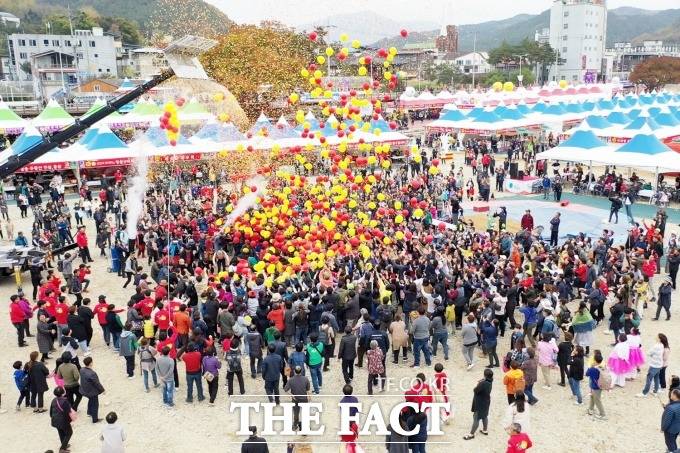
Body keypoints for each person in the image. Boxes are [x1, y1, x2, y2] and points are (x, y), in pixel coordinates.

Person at [464, 368, 493, 440]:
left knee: (476, 418)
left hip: (480, 403)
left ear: (485, 375)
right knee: (484, 416)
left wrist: (479, 383)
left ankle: (471, 434)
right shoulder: (490, 381)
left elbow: (475, 390)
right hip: (486, 401)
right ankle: (485, 430)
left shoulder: (483, 383)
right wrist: (483, 380)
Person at [283, 365, 310, 431]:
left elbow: (285, 389)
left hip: (295, 399)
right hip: (304, 399)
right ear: (301, 371)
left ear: (294, 371)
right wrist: (309, 397)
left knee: (296, 413)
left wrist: (292, 395)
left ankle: (295, 425)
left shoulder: (291, 380)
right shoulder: (305, 379)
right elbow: (308, 390)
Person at [79, 356, 104, 423]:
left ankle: (89, 412)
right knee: (95, 404)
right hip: (92, 392)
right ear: (90, 363)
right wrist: (103, 390)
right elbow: (97, 383)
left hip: (85, 390)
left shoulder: (81, 370)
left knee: (91, 400)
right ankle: (95, 419)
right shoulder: (92, 373)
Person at [49, 386, 73, 453]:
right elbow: (68, 412)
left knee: (61, 432)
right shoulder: (64, 401)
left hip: (55, 420)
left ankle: (64, 444)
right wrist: (70, 420)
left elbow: (51, 412)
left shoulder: (54, 400)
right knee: (69, 433)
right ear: (63, 393)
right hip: (63, 421)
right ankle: (62, 449)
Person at [585, 350, 607, 419]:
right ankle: (590, 409)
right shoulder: (602, 366)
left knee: (597, 400)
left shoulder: (593, 369)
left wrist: (591, 366)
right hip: (600, 385)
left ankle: (603, 414)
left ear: (594, 360)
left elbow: (587, 374)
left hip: (595, 386)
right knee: (592, 396)